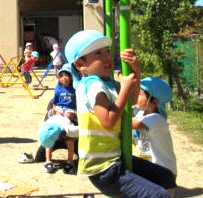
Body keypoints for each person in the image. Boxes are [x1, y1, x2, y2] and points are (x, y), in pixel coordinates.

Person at [65, 30, 175, 197]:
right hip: (103, 168)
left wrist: (136, 72)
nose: (107, 57)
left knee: (166, 177)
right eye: (98, 53)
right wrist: (123, 88)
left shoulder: (106, 83)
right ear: (81, 65)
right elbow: (108, 122)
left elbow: (131, 99)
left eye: (107, 51)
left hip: (116, 159)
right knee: (158, 195)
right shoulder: (92, 86)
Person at [132, 77, 177, 195]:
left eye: (140, 93)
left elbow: (133, 124)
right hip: (150, 169)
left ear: (155, 101)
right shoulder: (141, 114)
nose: (135, 95)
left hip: (162, 172)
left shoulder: (156, 119)